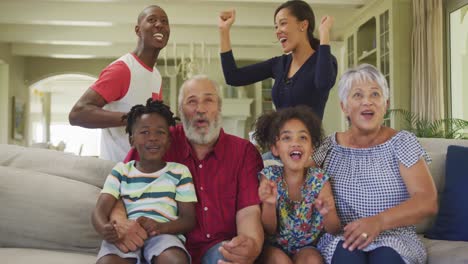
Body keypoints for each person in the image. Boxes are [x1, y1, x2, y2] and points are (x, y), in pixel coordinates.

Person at [114, 75, 264, 264]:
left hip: (218, 248)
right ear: (180, 111)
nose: (200, 109)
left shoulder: (243, 152)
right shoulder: (158, 141)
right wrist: (120, 222)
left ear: (219, 107)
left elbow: (249, 211)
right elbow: (119, 187)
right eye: (192, 101)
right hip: (163, 245)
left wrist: (249, 245)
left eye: (208, 100)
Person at [313, 64, 438, 264]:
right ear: (344, 106)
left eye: (375, 94)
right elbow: (300, 177)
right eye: (357, 95)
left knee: (386, 259)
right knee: (347, 257)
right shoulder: (327, 147)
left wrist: (378, 222)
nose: (367, 102)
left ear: (385, 104)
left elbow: (427, 201)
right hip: (344, 237)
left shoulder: (402, 142)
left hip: (395, 238)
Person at [92, 99, 197, 264]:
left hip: (163, 236)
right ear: (132, 140)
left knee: (174, 260)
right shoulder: (121, 171)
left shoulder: (179, 172)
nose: (153, 138)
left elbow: (188, 219)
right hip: (125, 234)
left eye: (160, 132)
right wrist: (105, 229)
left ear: (169, 141)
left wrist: (160, 227)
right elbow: (99, 211)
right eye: (145, 132)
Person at [69, 5, 170, 162]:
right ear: (138, 30)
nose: (159, 25)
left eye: (164, 21)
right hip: (116, 174)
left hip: (143, 175)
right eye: (152, 20)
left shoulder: (156, 76)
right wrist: (132, 118)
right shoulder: (122, 69)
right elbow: (77, 114)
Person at [218, 0, 337, 120]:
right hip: (279, 138)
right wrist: (224, 31)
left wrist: (324, 34)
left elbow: (323, 84)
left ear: (303, 25)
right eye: (276, 26)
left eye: (283, 23)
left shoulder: (325, 61)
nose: (277, 31)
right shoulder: (279, 64)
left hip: (309, 138)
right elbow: (233, 77)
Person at [253, 106, 341, 264]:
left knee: (312, 260)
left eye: (303, 138)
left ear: (312, 148)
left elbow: (334, 229)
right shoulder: (269, 177)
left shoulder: (319, 179)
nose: (296, 143)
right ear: (275, 148)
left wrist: (329, 211)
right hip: (274, 247)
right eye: (287, 138)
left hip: (307, 247)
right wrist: (269, 204)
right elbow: (268, 229)